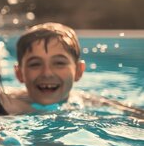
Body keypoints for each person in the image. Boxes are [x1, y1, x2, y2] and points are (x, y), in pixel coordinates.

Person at [10, 22, 144, 117]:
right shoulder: (6, 102)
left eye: (59, 63)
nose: (47, 73)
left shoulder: (94, 105)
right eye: (35, 64)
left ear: (79, 71)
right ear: (19, 73)